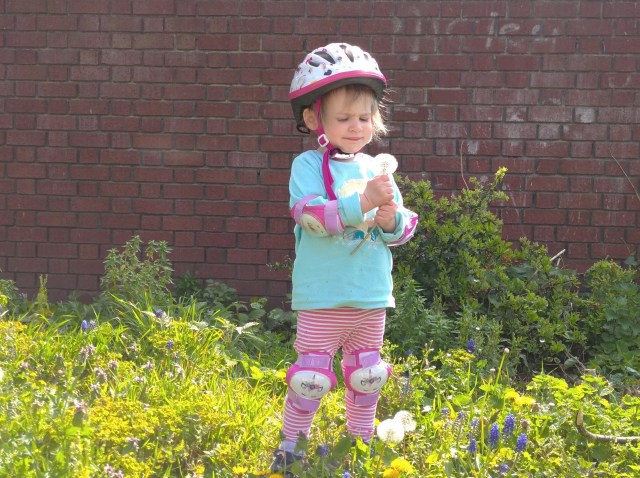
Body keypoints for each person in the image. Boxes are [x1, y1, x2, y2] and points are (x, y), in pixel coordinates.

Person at [271, 42, 418, 475]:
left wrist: (391, 218)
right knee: (310, 377)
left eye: (364, 118)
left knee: (366, 373)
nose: (356, 127)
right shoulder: (307, 165)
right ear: (314, 118)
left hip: (370, 295)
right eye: (344, 118)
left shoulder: (378, 168)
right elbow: (311, 215)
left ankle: (360, 441)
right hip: (323, 296)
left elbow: (404, 227)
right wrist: (363, 203)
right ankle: (291, 447)